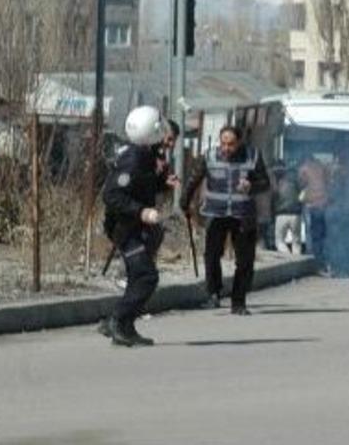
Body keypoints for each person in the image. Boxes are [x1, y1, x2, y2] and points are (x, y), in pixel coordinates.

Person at [97, 106, 175, 346]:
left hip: (135, 226)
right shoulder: (132, 158)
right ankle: (116, 320)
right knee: (146, 276)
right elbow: (112, 195)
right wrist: (141, 211)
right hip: (124, 227)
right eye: (159, 125)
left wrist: (163, 182)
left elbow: (143, 184)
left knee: (137, 276)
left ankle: (125, 327)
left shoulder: (147, 153)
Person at [182, 125, 270, 315]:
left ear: (239, 142)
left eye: (231, 144)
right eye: (223, 143)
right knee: (212, 255)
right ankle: (213, 293)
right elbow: (194, 179)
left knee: (245, 261)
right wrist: (185, 201)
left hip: (243, 215)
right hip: (216, 213)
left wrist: (251, 185)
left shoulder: (253, 156)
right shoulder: (209, 156)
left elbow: (265, 183)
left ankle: (238, 302)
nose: (226, 148)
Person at [297, 154, 330, 270]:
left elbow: (301, 184)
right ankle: (325, 261)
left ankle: (316, 261)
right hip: (324, 203)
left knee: (312, 233)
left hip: (311, 204)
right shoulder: (322, 167)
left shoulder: (304, 169)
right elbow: (327, 182)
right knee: (323, 234)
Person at [273, 160, 304, 254]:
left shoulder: (276, 180)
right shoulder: (294, 179)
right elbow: (302, 193)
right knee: (296, 242)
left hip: (281, 214)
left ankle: (288, 258)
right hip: (296, 213)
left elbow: (274, 195)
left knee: (279, 241)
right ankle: (297, 263)